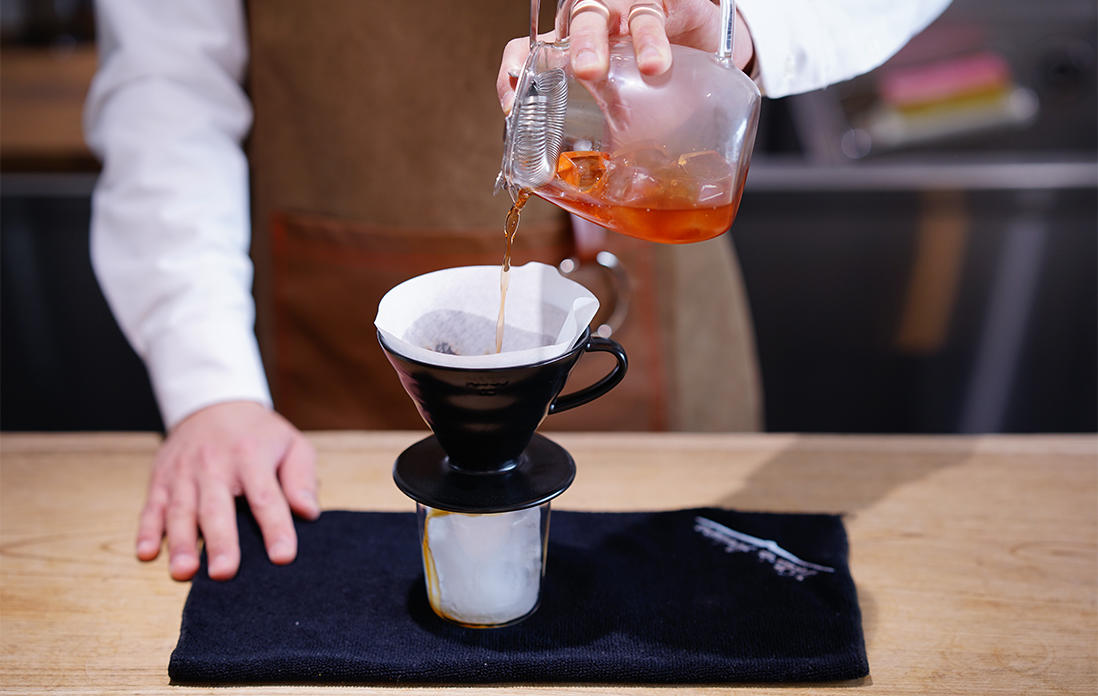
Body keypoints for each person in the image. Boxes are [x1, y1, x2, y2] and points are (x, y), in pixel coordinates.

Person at [84, 0, 951, 583]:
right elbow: (167, 86)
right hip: (326, 331)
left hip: (639, 274)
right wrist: (210, 386)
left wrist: (742, 21)